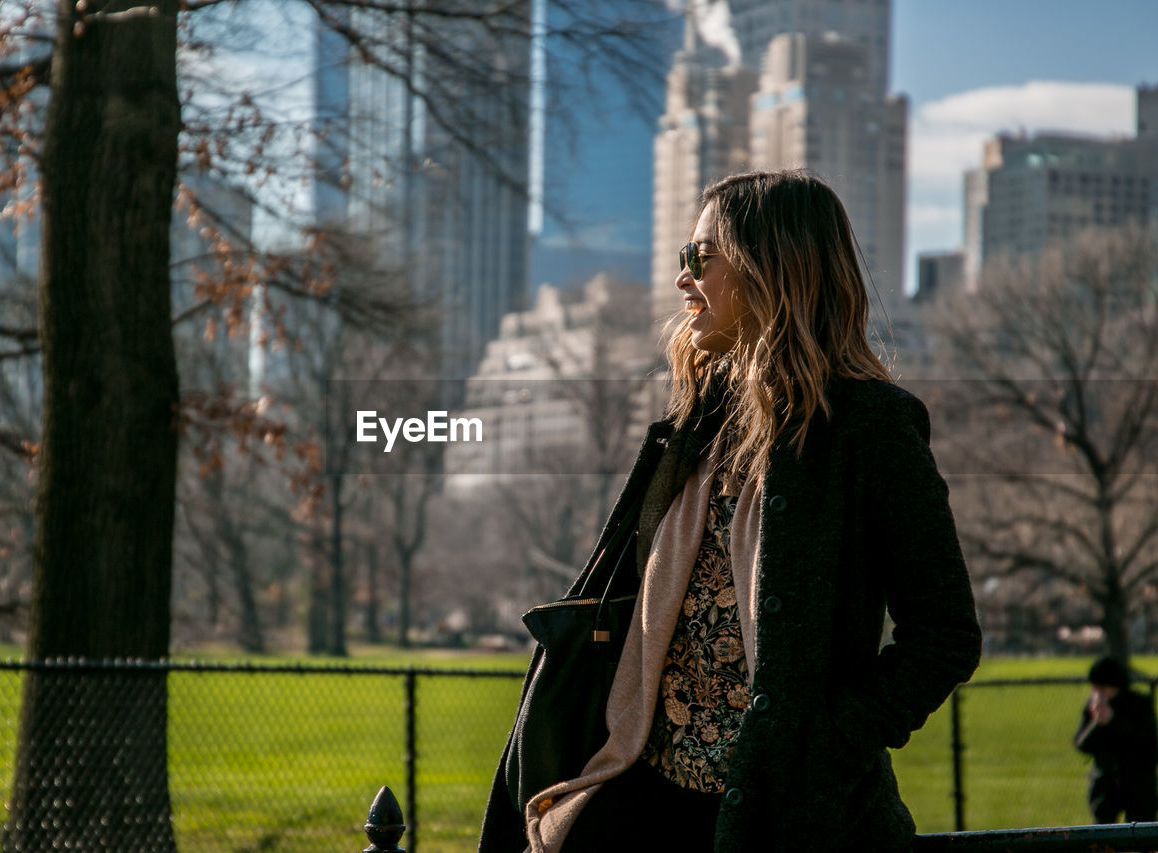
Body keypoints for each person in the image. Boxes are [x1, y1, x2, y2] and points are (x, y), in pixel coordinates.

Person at [478, 169, 983, 853]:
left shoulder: (870, 427)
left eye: (699, 257)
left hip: (788, 821)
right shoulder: (692, 423)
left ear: (767, 267)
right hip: (648, 803)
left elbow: (945, 634)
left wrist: (828, 744)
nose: (682, 279)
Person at [1074, 655, 1158, 824]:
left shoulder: (1138, 704)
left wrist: (1113, 721)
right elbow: (1082, 744)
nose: (1097, 693)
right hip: (1105, 783)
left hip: (1138, 783)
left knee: (1143, 836)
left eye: (1102, 687)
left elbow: (1147, 742)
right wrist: (1097, 723)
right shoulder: (1093, 707)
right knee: (1102, 839)